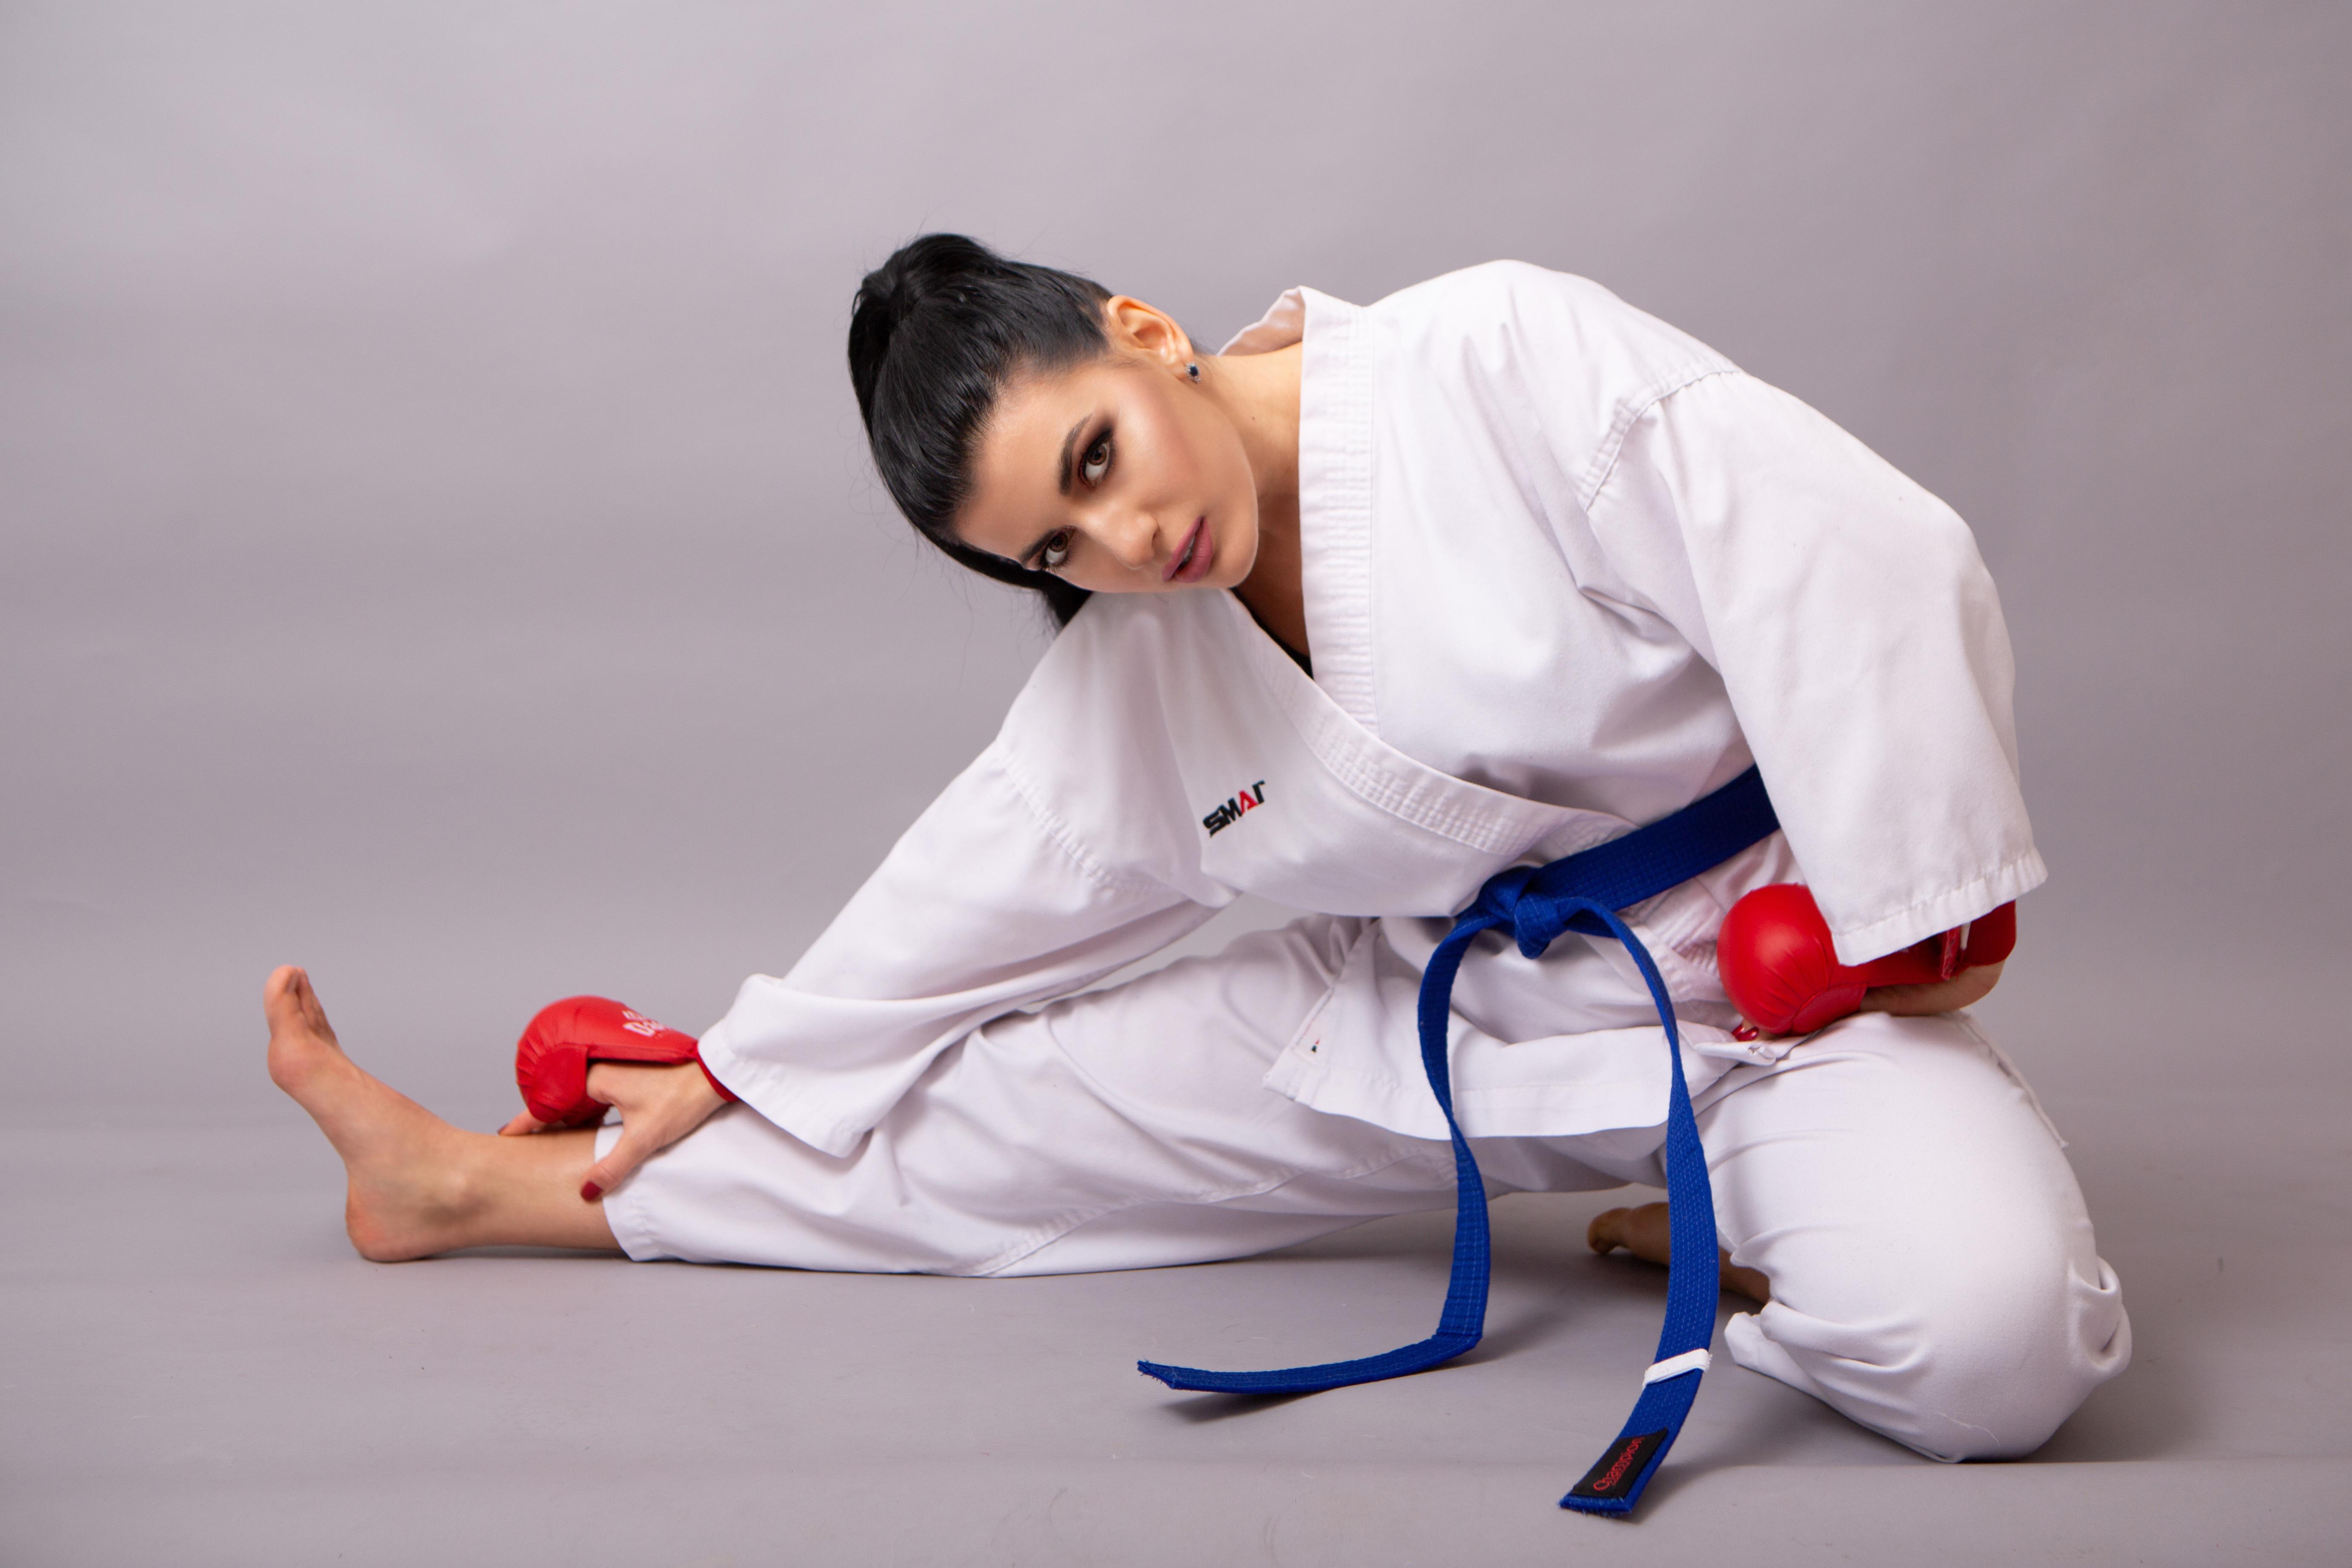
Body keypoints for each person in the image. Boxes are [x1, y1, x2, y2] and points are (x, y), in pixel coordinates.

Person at [266, 234, 2130, 1466]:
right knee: (1012, 1116)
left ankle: (1736, 1230)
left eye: (1095, 460)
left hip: (1795, 994)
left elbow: (1844, 555)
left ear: (1147, 335)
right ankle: (467, 1193)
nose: (1122, 546)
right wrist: (751, 1060)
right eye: (1051, 552)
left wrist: (1916, 905)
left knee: (1994, 1347)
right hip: (1446, 1027)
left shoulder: (1494, 357)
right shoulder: (1145, 656)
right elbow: (980, 884)